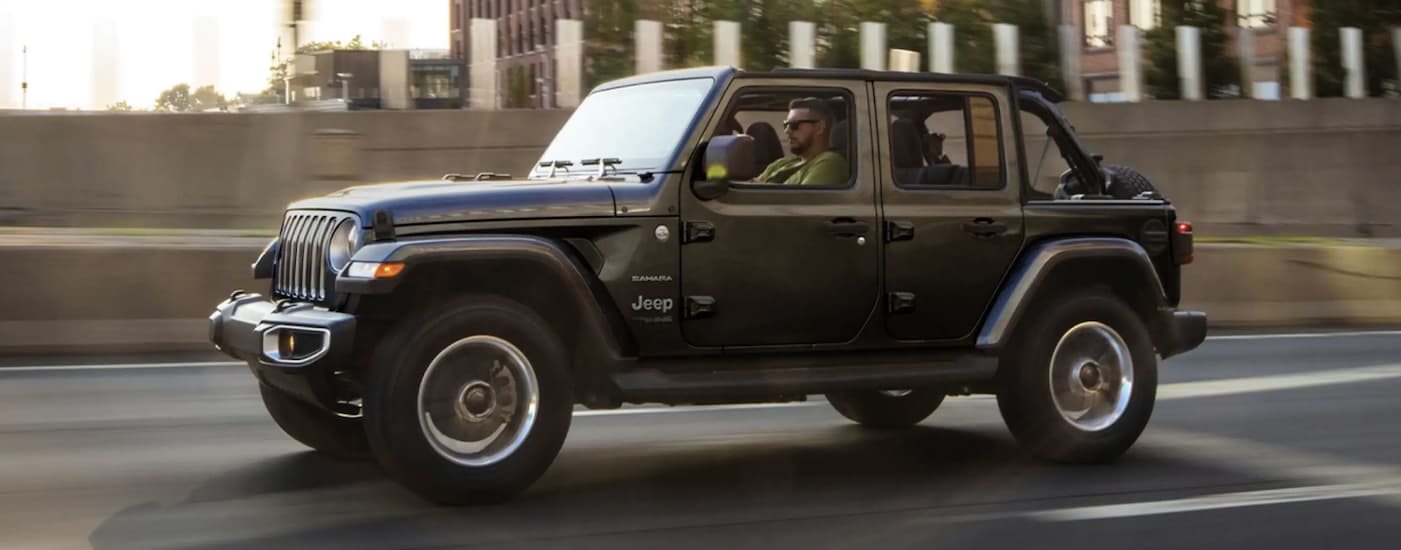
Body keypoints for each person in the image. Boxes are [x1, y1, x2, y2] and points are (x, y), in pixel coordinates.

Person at [754, 98, 849, 186]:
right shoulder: (781, 163)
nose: (787, 131)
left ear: (819, 127)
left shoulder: (831, 162)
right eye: (786, 125)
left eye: (794, 125)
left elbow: (804, 197)